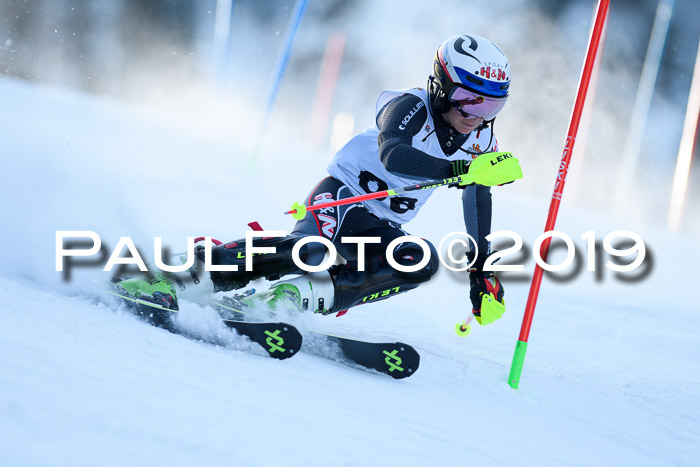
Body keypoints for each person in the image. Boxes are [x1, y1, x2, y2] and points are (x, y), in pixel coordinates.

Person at [113, 34, 514, 328]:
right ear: (442, 85)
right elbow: (394, 153)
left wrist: (481, 270)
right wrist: (457, 172)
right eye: (470, 98)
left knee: (419, 260)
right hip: (340, 198)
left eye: (492, 103)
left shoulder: (480, 137)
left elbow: (477, 195)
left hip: (378, 224)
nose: (477, 113)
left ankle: (289, 299)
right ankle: (172, 277)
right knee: (309, 249)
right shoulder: (408, 105)